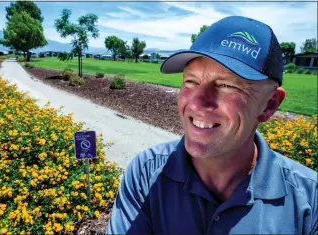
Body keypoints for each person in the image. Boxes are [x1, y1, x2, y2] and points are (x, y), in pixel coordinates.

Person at [106, 16, 317, 234]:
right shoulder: (146, 172)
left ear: (269, 105)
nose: (196, 103)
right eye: (191, 82)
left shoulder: (309, 201)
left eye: (226, 85)